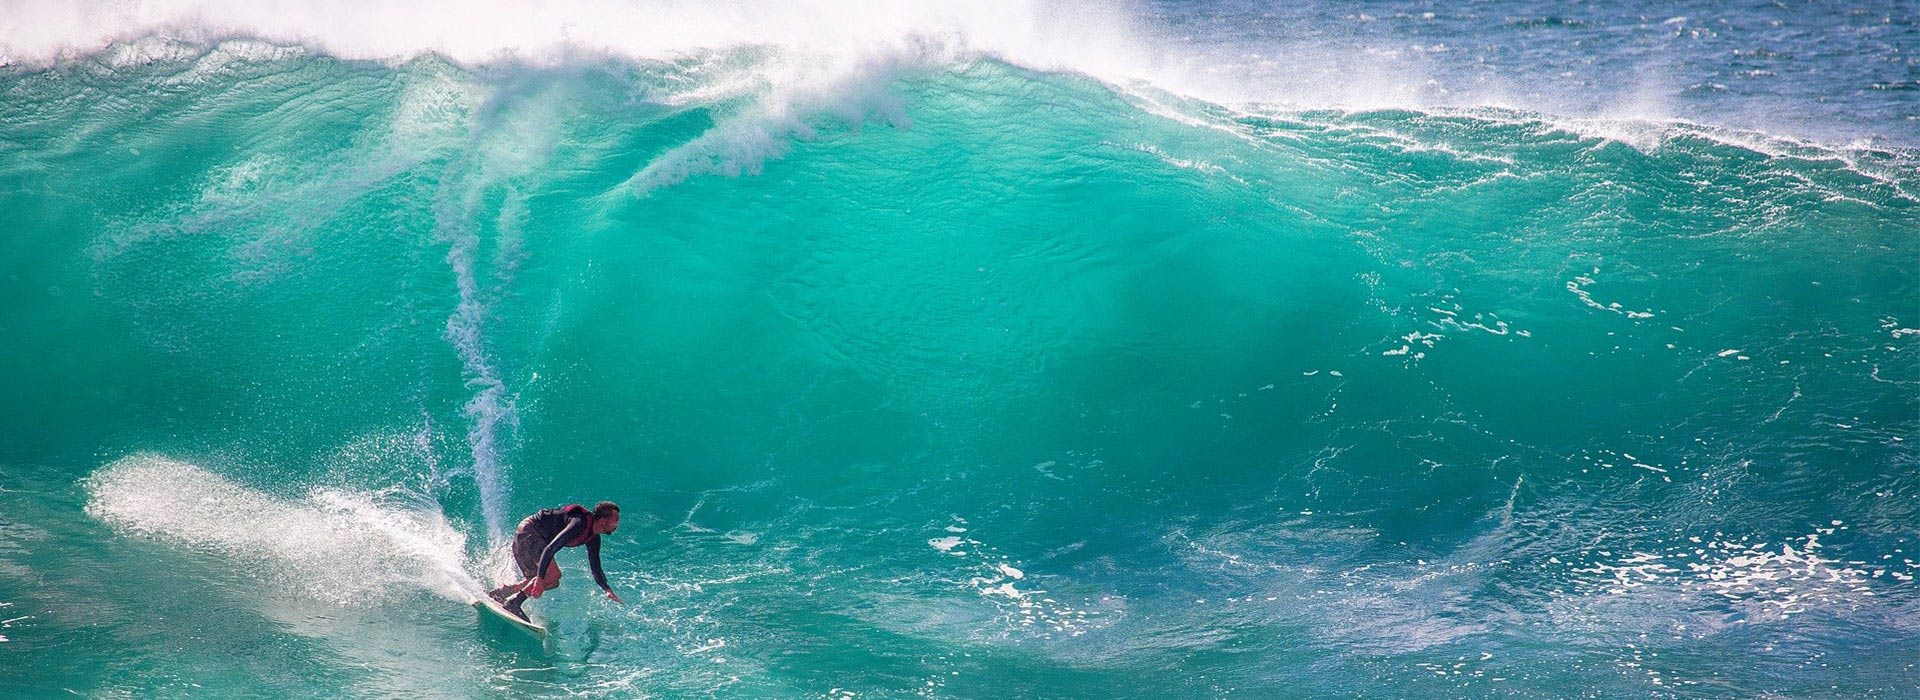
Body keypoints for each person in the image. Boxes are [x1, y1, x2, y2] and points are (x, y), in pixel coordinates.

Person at [488, 501, 625, 619]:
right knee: (553, 575)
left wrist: (607, 589)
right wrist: (540, 578)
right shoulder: (579, 523)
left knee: (552, 583)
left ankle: (501, 594)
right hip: (530, 532)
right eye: (616, 519)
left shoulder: (593, 538)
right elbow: (550, 548)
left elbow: (596, 567)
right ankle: (514, 603)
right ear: (603, 520)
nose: (617, 524)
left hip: (531, 538)